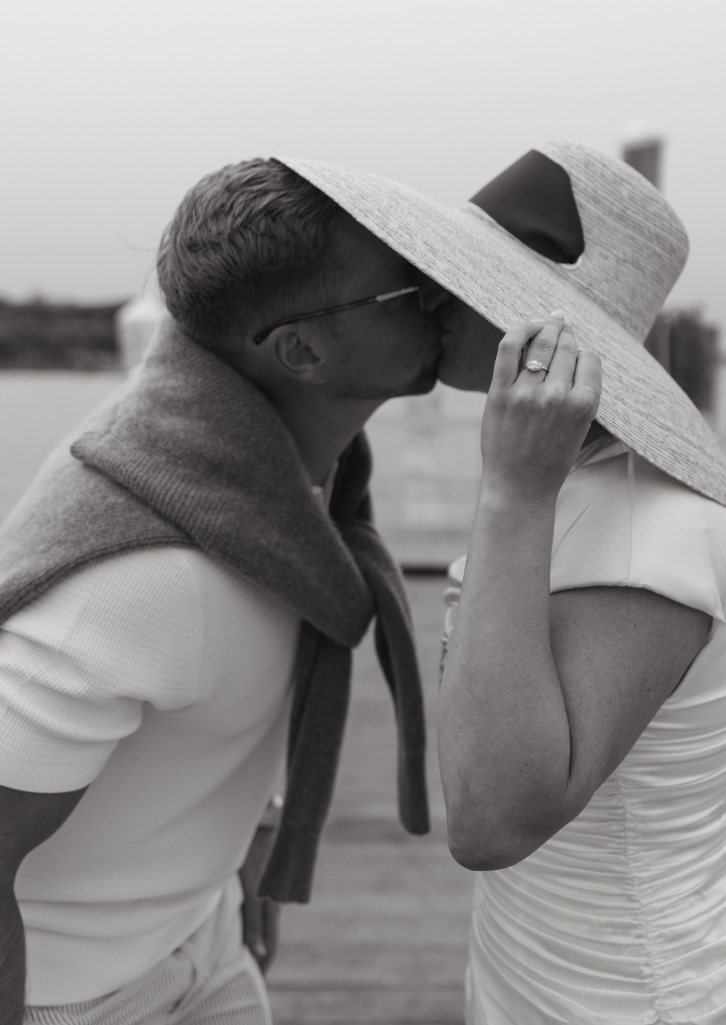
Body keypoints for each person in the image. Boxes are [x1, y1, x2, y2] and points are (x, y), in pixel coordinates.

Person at [284, 143, 726, 1023]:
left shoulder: (645, 525)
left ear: (553, 329)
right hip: (553, 975)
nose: (435, 295)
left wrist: (512, 489)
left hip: (642, 997)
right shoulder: (589, 484)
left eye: (470, 276)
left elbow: (492, 818)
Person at [0, 158, 440, 1025]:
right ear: (301, 350)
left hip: (203, 938)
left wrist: (251, 832)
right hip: (76, 994)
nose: (440, 296)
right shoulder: (143, 574)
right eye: (408, 290)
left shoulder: (274, 486)